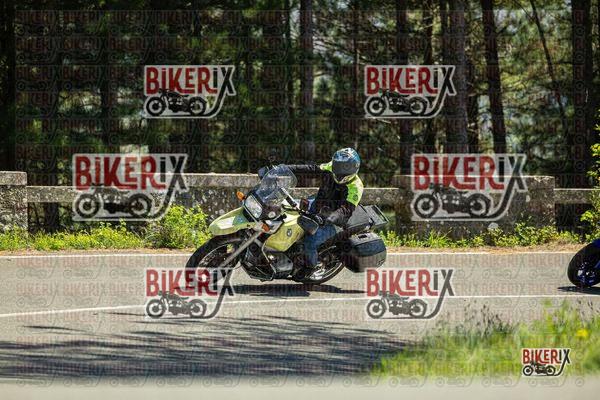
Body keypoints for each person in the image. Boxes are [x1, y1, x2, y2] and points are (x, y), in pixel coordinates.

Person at [282, 148, 364, 279]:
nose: (340, 170)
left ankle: (310, 268)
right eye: (338, 165)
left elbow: (345, 210)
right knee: (286, 212)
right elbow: (310, 169)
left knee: (310, 241)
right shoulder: (330, 167)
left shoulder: (355, 186)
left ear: (354, 168)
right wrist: (284, 168)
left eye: (345, 167)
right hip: (317, 207)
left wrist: (328, 218)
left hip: (334, 222)